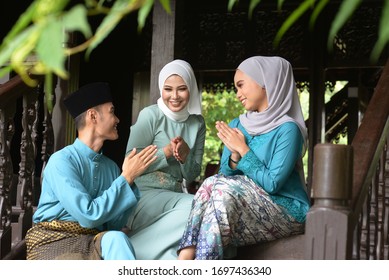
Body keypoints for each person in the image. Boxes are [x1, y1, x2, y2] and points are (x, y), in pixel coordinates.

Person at [177, 56, 310, 260]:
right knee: (211, 183)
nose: (237, 94)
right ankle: (185, 261)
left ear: (265, 82)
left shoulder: (288, 129)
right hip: (244, 204)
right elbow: (225, 174)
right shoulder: (237, 124)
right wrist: (235, 156)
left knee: (220, 190)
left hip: (286, 209)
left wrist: (244, 150)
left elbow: (273, 183)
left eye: (241, 85)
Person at [25, 82, 157, 260]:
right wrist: (126, 178)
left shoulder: (111, 167)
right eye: (112, 111)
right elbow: (89, 215)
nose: (117, 119)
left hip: (92, 241)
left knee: (116, 238)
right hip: (53, 242)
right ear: (93, 116)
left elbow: (113, 225)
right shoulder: (61, 161)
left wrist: (130, 180)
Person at [125, 59, 205, 259]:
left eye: (182, 89)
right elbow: (129, 162)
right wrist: (166, 153)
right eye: (168, 89)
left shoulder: (197, 123)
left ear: (191, 89)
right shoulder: (150, 115)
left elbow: (194, 173)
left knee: (174, 253)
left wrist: (185, 156)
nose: (174, 96)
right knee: (196, 207)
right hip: (144, 196)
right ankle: (134, 246)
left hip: (176, 196)